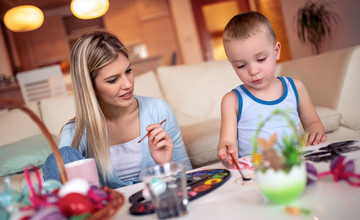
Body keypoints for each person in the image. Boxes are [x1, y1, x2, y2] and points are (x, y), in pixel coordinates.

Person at [43, 31, 192, 188]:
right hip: (108, 209)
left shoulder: (157, 110)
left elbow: (188, 177)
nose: (128, 84)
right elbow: (62, 190)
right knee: (62, 157)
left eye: (128, 71)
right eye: (113, 80)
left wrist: (165, 165)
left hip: (159, 203)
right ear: (90, 87)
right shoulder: (75, 132)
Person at [217, 11, 327, 168]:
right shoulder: (232, 100)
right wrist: (226, 151)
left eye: (261, 59)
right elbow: (227, 141)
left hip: (294, 166)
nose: (253, 71)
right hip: (255, 173)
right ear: (232, 64)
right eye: (241, 65)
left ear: (276, 51)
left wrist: (315, 133)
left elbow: (313, 124)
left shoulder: (296, 88)